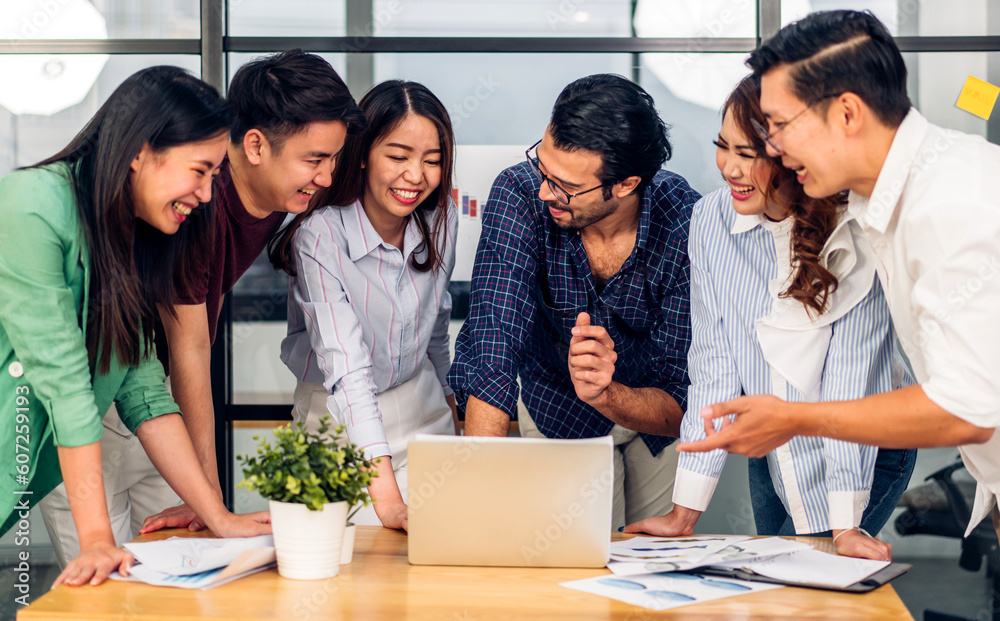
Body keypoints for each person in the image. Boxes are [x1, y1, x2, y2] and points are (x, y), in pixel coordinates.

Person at [680, 10, 1000, 542]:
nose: (774, 149)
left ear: (847, 113)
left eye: (779, 126)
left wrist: (795, 420)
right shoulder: (884, 204)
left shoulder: (948, 203)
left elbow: (965, 409)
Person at [40, 50, 365, 551]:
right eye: (315, 160)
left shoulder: (289, 185)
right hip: (93, 400)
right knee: (106, 584)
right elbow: (191, 345)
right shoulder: (198, 202)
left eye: (334, 159)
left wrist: (206, 501)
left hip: (155, 402)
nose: (326, 176)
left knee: (176, 572)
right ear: (254, 145)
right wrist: (212, 500)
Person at [0, 66, 271, 588]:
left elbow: (145, 392)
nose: (209, 194)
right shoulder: (32, 206)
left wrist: (218, 517)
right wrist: (99, 538)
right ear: (141, 151)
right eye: (200, 170)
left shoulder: (131, 238)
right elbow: (66, 383)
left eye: (216, 175)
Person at [624, 75, 915, 560]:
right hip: (774, 447)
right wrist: (684, 511)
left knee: (811, 593)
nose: (729, 168)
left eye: (749, 153)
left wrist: (845, 526)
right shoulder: (710, 221)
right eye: (723, 146)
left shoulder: (856, 233)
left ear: (794, 156)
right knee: (774, 589)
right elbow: (714, 366)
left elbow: (849, 383)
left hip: (862, 447)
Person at [448, 74, 700, 530]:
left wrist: (608, 394)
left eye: (565, 185)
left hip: (654, 417)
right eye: (542, 167)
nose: (545, 191)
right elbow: (493, 341)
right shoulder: (520, 194)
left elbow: (684, 393)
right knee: (574, 562)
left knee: (650, 560)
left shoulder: (684, 220)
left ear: (625, 184)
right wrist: (477, 488)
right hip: (555, 407)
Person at [273, 81, 457, 531]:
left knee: (434, 564)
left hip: (423, 412)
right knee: (352, 577)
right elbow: (347, 368)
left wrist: (454, 407)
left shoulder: (441, 219)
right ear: (360, 153)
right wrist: (388, 501)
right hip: (336, 417)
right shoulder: (320, 233)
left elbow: (436, 322)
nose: (416, 175)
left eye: (432, 161)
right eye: (398, 157)